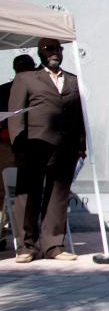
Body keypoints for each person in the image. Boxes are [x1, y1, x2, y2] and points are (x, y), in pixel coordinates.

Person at [9, 41, 85, 263]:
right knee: (28, 194)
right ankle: (26, 246)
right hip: (33, 146)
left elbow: (79, 116)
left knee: (58, 196)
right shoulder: (26, 78)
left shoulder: (72, 80)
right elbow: (16, 114)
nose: (54, 53)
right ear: (40, 53)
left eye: (57, 49)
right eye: (49, 50)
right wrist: (18, 144)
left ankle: (53, 245)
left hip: (65, 147)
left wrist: (81, 145)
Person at [0, 54, 38, 236]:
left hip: (27, 147)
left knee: (28, 190)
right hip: (8, 146)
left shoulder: (39, 92)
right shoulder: (5, 90)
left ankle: (24, 235)